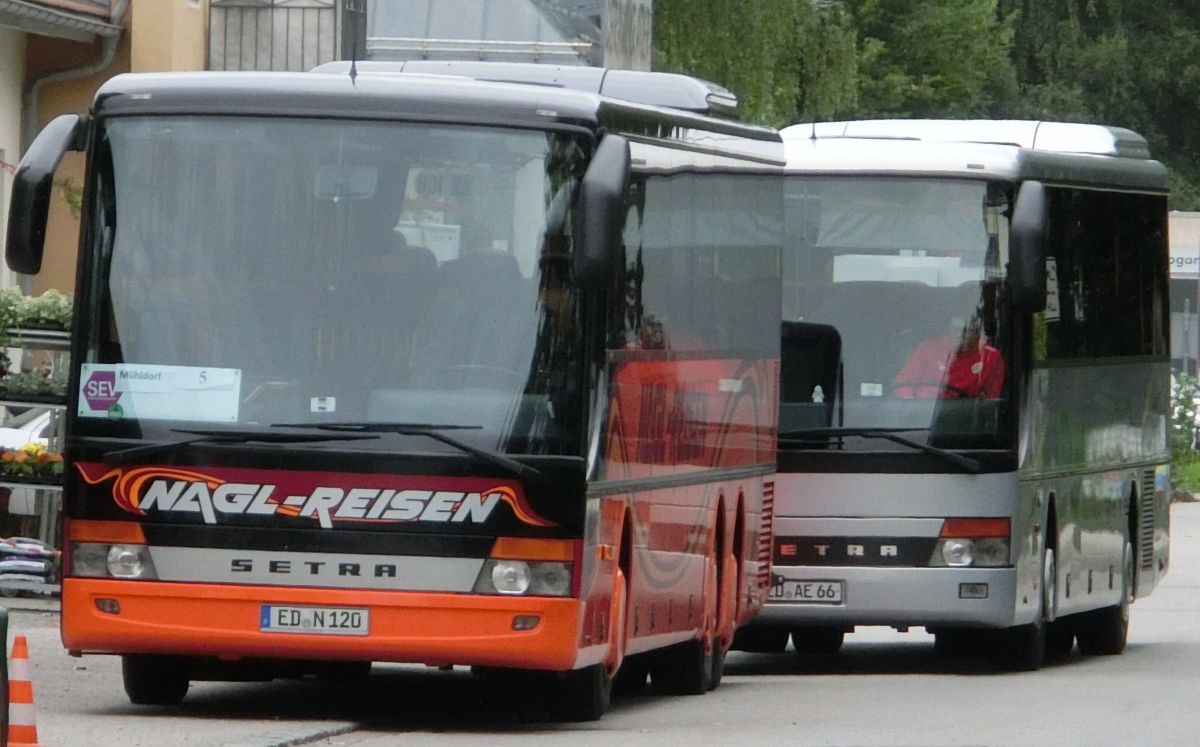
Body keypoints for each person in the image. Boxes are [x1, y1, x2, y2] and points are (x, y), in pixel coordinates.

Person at [894, 313, 1004, 399]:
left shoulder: (990, 357)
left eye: (967, 330)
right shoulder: (927, 349)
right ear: (948, 328)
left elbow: (991, 400)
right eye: (955, 329)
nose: (960, 335)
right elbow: (904, 382)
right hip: (925, 415)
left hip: (966, 420)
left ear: (977, 332)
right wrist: (912, 406)